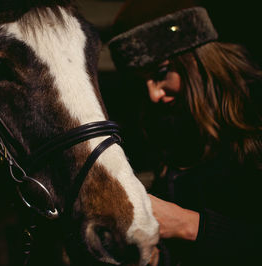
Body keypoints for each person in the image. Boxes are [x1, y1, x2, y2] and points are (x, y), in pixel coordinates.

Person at [108, 5, 262, 266]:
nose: (154, 95)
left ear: (198, 57)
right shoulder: (174, 123)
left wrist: (189, 225)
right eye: (141, 82)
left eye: (160, 74)